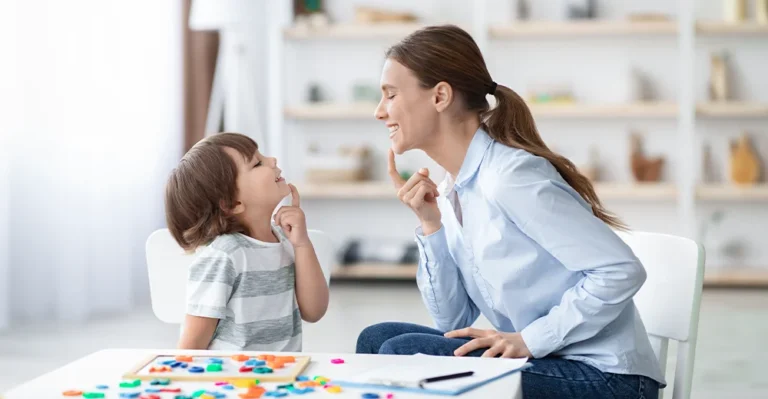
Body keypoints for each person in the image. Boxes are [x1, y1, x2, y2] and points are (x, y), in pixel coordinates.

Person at [355, 25, 665, 399]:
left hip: (608, 378)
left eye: (390, 95)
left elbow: (621, 270)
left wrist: (529, 340)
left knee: (400, 353)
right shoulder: (453, 188)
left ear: (440, 96)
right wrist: (431, 224)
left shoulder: (510, 178)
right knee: (377, 339)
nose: (379, 111)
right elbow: (453, 321)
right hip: (549, 363)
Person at [165, 133, 329, 351]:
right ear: (232, 203)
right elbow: (192, 345)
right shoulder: (224, 256)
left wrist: (301, 244)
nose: (272, 161)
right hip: (233, 380)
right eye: (257, 163)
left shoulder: (285, 240)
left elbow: (314, 311)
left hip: (284, 376)